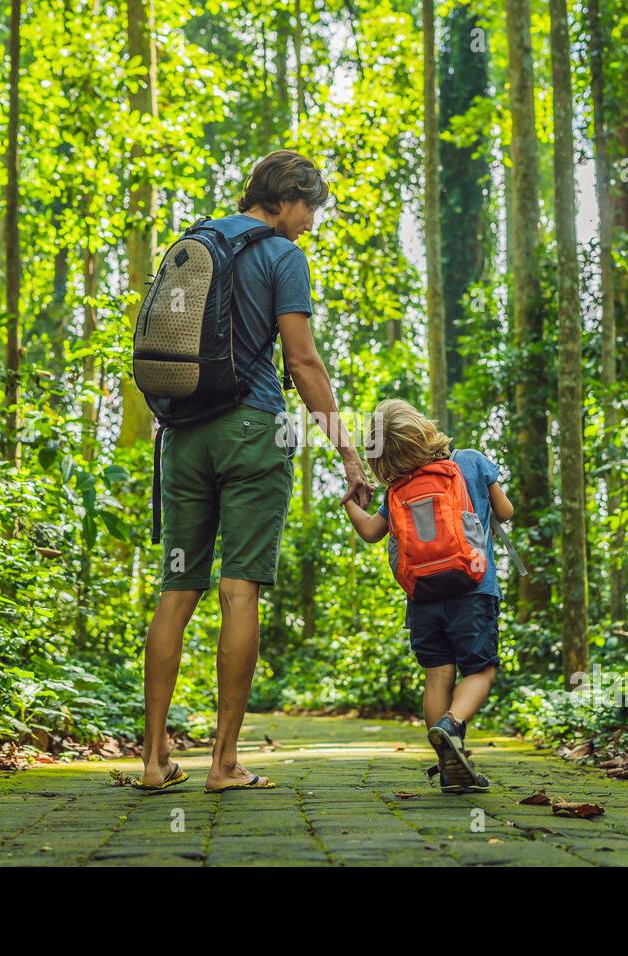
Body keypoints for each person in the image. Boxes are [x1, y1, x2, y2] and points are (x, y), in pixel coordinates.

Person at [138, 151, 374, 793]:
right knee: (238, 591)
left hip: (184, 437)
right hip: (252, 431)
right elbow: (301, 362)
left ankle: (155, 761)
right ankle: (223, 764)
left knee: (177, 590)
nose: (310, 224)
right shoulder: (281, 255)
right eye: (310, 209)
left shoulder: (198, 239)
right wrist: (347, 449)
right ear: (289, 197)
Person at [342, 399, 513, 792]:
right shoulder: (469, 461)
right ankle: (451, 726)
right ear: (424, 428)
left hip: (422, 598)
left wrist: (351, 501)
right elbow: (506, 511)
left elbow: (370, 532)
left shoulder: (397, 489)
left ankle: (450, 764)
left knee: (437, 674)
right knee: (480, 670)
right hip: (473, 590)